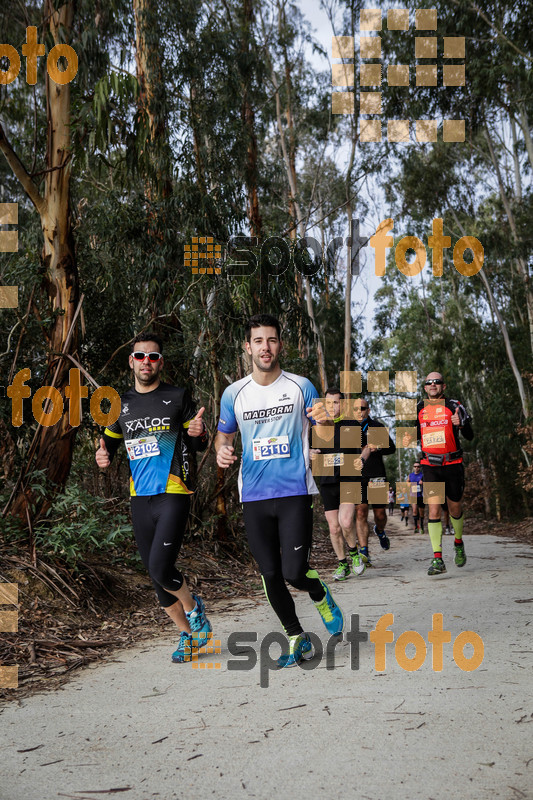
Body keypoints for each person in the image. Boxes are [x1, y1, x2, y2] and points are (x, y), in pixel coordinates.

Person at [215, 314, 344, 668]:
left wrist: (325, 423)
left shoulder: (301, 386)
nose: (265, 347)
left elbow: (324, 434)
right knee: (269, 572)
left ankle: (317, 591)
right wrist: (221, 449)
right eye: (258, 341)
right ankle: (295, 636)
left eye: (271, 340)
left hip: (294, 492)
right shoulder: (233, 394)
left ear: (280, 345)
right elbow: (224, 434)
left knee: (292, 572)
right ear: (248, 347)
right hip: (253, 495)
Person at [95, 332, 211, 663]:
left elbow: (198, 441)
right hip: (139, 497)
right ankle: (188, 637)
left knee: (161, 566)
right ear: (131, 361)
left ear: (161, 362)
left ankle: (194, 608)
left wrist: (198, 433)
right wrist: (101, 457)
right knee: (156, 577)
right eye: (141, 356)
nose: (147, 361)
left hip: (173, 490)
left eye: (154, 357)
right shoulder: (121, 405)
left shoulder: (177, 397)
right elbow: (108, 446)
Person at [405, 372, 474, 575]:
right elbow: (414, 436)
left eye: (437, 382)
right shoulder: (419, 408)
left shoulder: (454, 406)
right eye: (429, 382)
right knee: (433, 510)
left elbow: (469, 435)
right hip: (430, 466)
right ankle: (437, 559)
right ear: (425, 388)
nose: (433, 384)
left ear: (443, 386)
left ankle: (459, 543)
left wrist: (461, 423)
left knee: (454, 509)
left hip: (453, 464)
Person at [309, 388, 366, 581]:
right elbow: (309, 450)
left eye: (336, 402)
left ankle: (355, 553)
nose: (333, 406)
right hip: (327, 479)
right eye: (329, 402)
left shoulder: (351, 423)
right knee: (334, 528)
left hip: (349, 478)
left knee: (346, 522)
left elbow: (367, 445)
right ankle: (343, 564)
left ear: (342, 404)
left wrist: (363, 459)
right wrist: (311, 453)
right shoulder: (317, 426)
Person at [350, 398, 396, 566]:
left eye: (362, 408)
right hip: (356, 476)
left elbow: (392, 448)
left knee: (380, 514)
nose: (358, 411)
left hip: (376, 475)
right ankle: (364, 552)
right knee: (361, 512)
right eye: (355, 408)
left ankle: (380, 530)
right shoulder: (348, 428)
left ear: (368, 410)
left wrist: (380, 447)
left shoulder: (376, 427)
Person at [408, 461, 425, 532]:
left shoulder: (422, 475)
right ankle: (416, 527)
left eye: (418, 466)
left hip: (421, 495)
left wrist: (423, 483)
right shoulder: (410, 475)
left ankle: (421, 526)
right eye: (415, 466)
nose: (416, 468)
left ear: (420, 468)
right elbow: (407, 482)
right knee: (414, 511)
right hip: (413, 495)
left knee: (421, 513)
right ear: (413, 468)